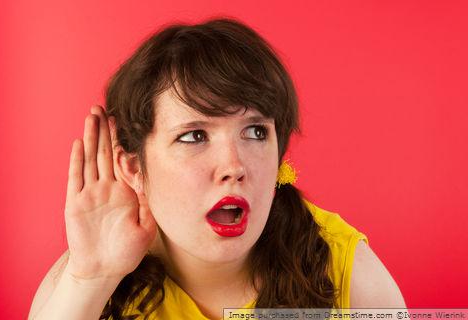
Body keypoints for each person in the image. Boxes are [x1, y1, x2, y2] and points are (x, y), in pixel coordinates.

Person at [28, 18, 405, 320]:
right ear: (132, 166)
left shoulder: (348, 274)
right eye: (193, 136)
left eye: (256, 132)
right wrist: (90, 280)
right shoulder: (90, 273)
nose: (234, 166)